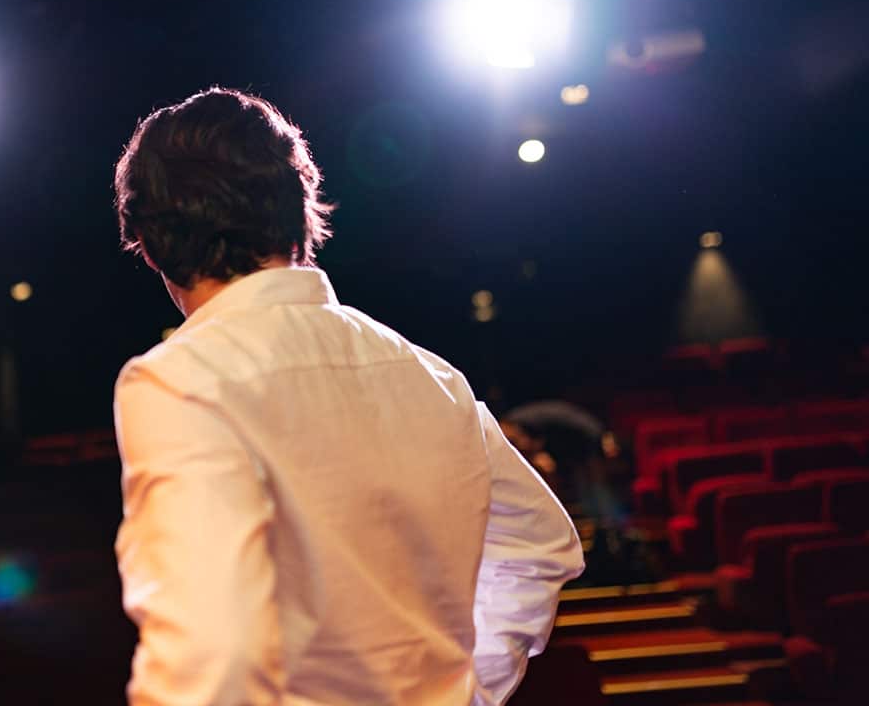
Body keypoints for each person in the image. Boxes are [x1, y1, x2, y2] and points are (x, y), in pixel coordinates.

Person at [111, 87, 584, 706]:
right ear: (297, 210)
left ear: (149, 242)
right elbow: (540, 544)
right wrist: (469, 690)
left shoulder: (177, 381)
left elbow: (211, 654)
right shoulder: (431, 376)